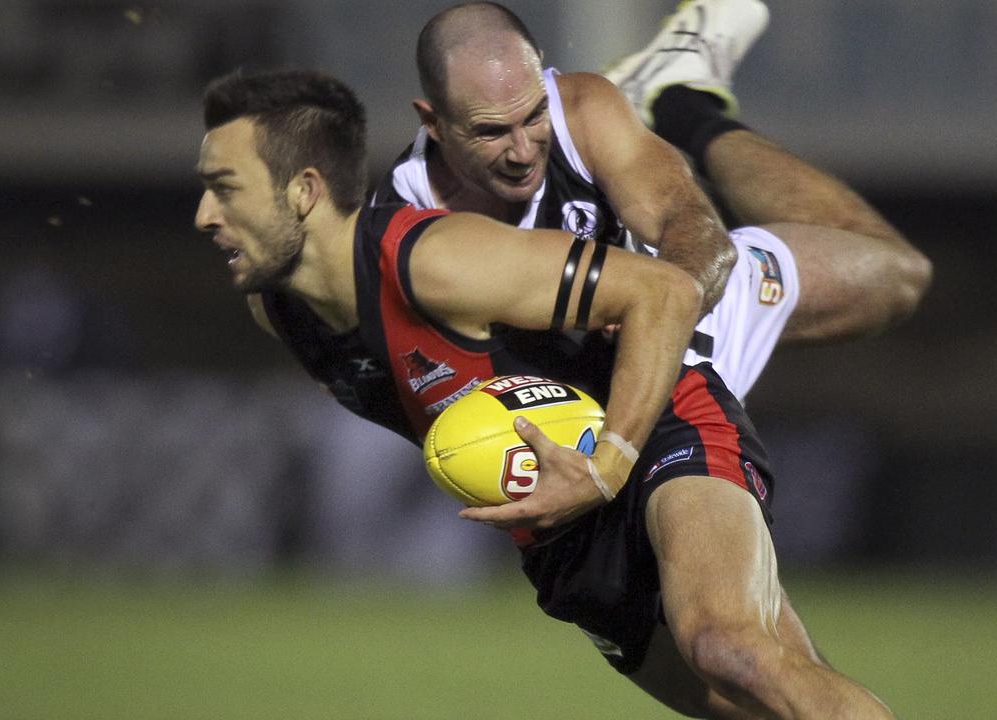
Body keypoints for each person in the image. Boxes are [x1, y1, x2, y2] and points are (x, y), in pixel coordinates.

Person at [195, 69, 895, 718]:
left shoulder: (434, 259)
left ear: (305, 191)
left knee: (729, 644)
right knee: (764, 703)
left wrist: (609, 461)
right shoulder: (280, 308)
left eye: (225, 187)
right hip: (561, 534)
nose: (203, 213)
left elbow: (664, 289)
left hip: (649, 434)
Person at [379, 0, 933, 402]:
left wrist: (659, 308)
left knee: (898, 276)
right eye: (492, 131)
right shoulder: (399, 225)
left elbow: (692, 227)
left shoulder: (581, 111)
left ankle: (681, 106)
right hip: (579, 406)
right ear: (433, 120)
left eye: (533, 115)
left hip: (686, 309)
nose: (524, 151)